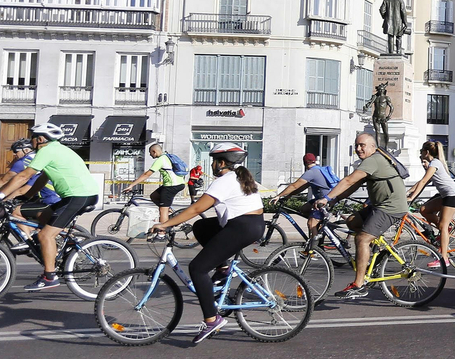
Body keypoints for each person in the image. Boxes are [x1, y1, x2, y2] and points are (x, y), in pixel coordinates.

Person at [146, 142, 264, 343]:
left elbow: (195, 209)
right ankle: (224, 267)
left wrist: (165, 224)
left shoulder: (224, 181)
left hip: (242, 226)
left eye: (213, 162)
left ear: (221, 163)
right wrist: (179, 221)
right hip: (249, 224)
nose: (211, 166)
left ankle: (212, 319)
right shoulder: (236, 177)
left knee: (198, 268)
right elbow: (201, 212)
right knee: (201, 227)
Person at [0, 123, 101, 292]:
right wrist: (26, 196)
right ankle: (65, 244)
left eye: (33, 137)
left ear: (40, 139)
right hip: (79, 195)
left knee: (45, 235)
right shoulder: (57, 150)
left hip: (78, 196)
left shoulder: (46, 151)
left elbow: (25, 175)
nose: (31, 141)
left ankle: (49, 277)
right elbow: (43, 178)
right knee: (44, 215)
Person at [318, 133, 410, 299]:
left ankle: (359, 285)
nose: (359, 148)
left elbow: (348, 180)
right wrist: (336, 199)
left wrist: (326, 198)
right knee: (352, 221)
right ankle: (376, 252)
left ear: (373, 147)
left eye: (362, 145)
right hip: (380, 205)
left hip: (391, 207)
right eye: (357, 145)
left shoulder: (373, 160)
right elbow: (354, 184)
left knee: (362, 239)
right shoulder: (371, 161)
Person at [408, 141, 455, 270]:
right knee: (424, 210)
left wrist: (412, 197)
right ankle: (444, 228)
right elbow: (421, 183)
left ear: (426, 152)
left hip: (453, 196)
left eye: (421, 151)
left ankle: (444, 259)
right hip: (446, 195)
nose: (421, 154)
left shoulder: (434, 163)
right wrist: (408, 192)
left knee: (443, 226)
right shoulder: (433, 164)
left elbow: (423, 181)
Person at [271, 153, 339, 235]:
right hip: (324, 198)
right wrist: (289, 195)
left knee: (311, 224)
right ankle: (319, 224)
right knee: (304, 209)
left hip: (326, 200)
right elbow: (301, 187)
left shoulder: (311, 172)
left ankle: (314, 246)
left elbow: (294, 186)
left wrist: (279, 195)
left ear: (304, 163)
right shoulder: (318, 170)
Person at [0, 138, 60, 212]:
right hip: (55, 197)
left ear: (26, 150)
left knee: (15, 213)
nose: (14, 154)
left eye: (16, 151)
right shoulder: (40, 158)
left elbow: (3, 180)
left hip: (47, 199)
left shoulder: (22, 162)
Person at [128, 141, 185, 228]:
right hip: (178, 183)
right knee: (154, 196)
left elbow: (147, 174)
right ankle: (170, 213)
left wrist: (132, 185)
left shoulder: (161, 160)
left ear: (154, 151)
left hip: (171, 186)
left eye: (150, 153)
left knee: (162, 210)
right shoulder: (167, 156)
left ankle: (162, 233)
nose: (150, 155)